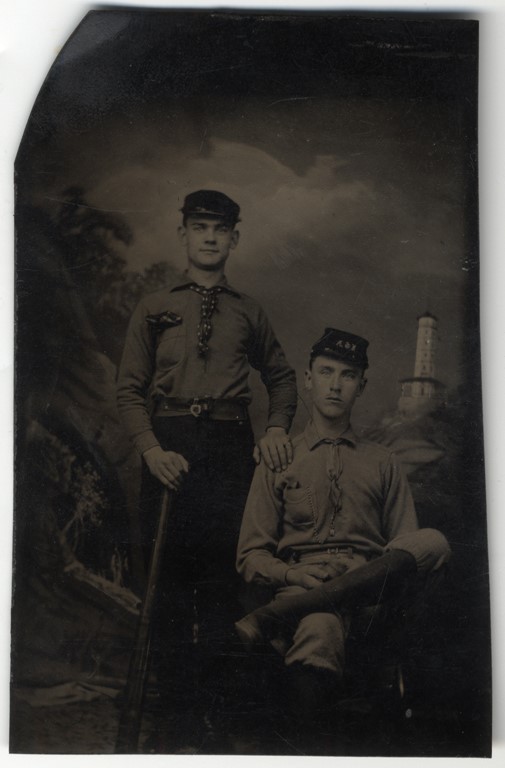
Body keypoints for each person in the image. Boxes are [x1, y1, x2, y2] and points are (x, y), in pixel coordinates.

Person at [116, 190, 297, 752]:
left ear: (235, 238)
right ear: (184, 235)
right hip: (169, 448)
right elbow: (128, 392)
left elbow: (284, 381)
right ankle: (175, 721)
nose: (210, 237)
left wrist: (273, 430)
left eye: (220, 229)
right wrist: (150, 451)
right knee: (166, 585)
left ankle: (213, 721)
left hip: (227, 447)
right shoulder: (152, 307)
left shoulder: (250, 311)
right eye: (199, 227)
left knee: (222, 587)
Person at [235, 327, 451, 740]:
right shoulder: (280, 459)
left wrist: (360, 574)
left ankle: (276, 617)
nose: (336, 385)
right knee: (320, 624)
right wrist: (294, 577)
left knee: (434, 541)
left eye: (348, 375)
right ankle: (303, 749)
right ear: (308, 378)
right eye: (327, 372)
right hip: (301, 595)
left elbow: (406, 551)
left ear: (362, 386)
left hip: (373, 600)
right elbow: (251, 557)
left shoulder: (383, 461)